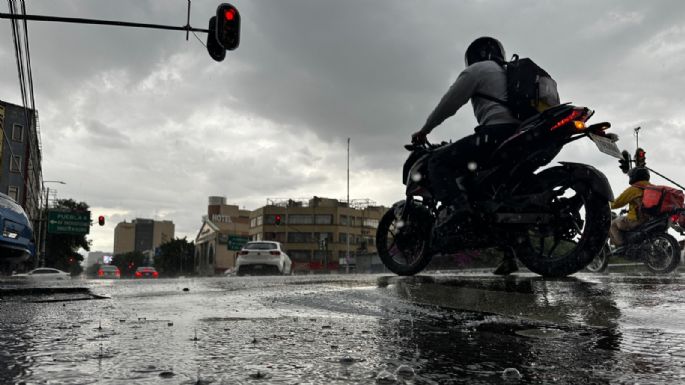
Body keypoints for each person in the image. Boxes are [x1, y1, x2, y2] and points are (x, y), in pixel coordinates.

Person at [411, 37, 521, 275]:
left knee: (438, 161)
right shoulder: (509, 72)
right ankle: (509, 255)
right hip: (523, 136)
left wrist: (425, 130)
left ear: (473, 55)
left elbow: (449, 104)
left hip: (496, 135)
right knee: (494, 194)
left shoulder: (477, 70)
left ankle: (458, 210)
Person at [609, 167, 652, 246]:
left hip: (637, 220)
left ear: (635, 176)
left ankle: (621, 245)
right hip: (650, 219)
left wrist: (607, 205)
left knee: (612, 224)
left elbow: (616, 203)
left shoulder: (634, 189)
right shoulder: (653, 188)